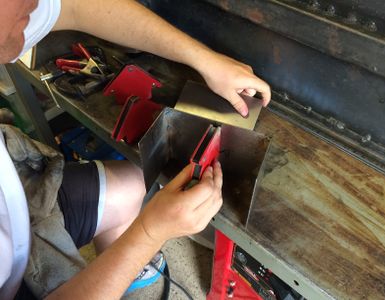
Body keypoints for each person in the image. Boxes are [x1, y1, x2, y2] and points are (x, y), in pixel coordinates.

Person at [0, 0, 271, 299]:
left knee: (133, 183)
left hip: (18, 201)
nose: (36, 1)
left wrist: (206, 60)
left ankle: (122, 270)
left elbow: (76, 6)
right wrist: (149, 233)